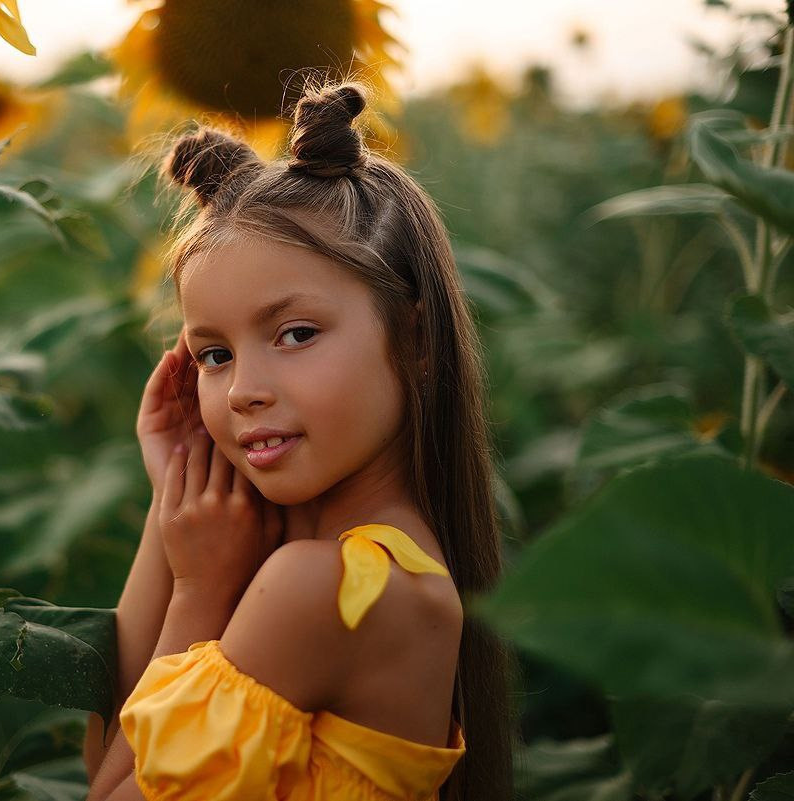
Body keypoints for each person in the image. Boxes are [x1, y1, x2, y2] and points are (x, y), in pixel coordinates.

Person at [83, 78, 516, 801]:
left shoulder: (330, 588)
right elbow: (108, 749)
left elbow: (107, 788)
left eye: (296, 334)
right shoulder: (359, 562)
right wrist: (175, 500)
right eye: (214, 354)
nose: (243, 387)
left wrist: (196, 591)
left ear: (416, 338)